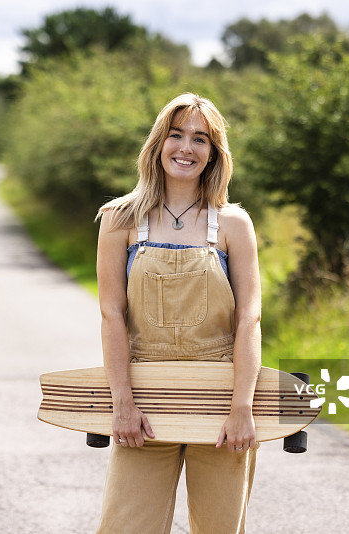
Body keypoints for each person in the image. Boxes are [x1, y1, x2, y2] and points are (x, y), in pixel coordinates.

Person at [94, 93, 261, 533]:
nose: (186, 148)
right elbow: (111, 315)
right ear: (158, 143)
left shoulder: (232, 224)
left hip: (221, 399)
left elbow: (249, 319)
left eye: (200, 139)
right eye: (176, 135)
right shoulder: (120, 219)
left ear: (214, 153)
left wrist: (242, 406)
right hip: (145, 402)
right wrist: (122, 403)